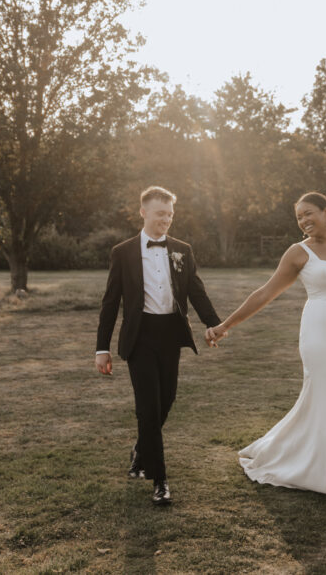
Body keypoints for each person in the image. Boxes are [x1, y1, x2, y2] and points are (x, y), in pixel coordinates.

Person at [206, 192, 326, 506]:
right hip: (318, 334)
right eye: (299, 217)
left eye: (309, 213)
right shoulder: (298, 253)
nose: (304, 221)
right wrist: (225, 325)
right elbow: (264, 293)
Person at [95, 186, 221, 505]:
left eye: (170, 214)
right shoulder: (122, 252)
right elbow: (110, 303)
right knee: (148, 407)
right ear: (143, 212)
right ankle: (160, 480)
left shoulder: (182, 249)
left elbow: (196, 291)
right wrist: (102, 348)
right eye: (160, 214)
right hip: (139, 337)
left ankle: (141, 447)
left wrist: (213, 323)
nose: (166, 220)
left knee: (166, 399)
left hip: (170, 335)